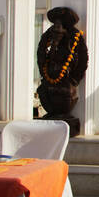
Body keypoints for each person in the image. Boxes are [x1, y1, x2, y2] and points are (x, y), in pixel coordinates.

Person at [36, 7, 88, 137]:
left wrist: (74, 80)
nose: (57, 28)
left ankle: (61, 116)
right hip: (50, 75)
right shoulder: (49, 37)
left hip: (66, 78)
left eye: (60, 25)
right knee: (43, 91)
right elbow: (41, 53)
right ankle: (52, 114)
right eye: (55, 25)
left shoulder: (74, 38)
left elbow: (82, 59)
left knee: (67, 93)